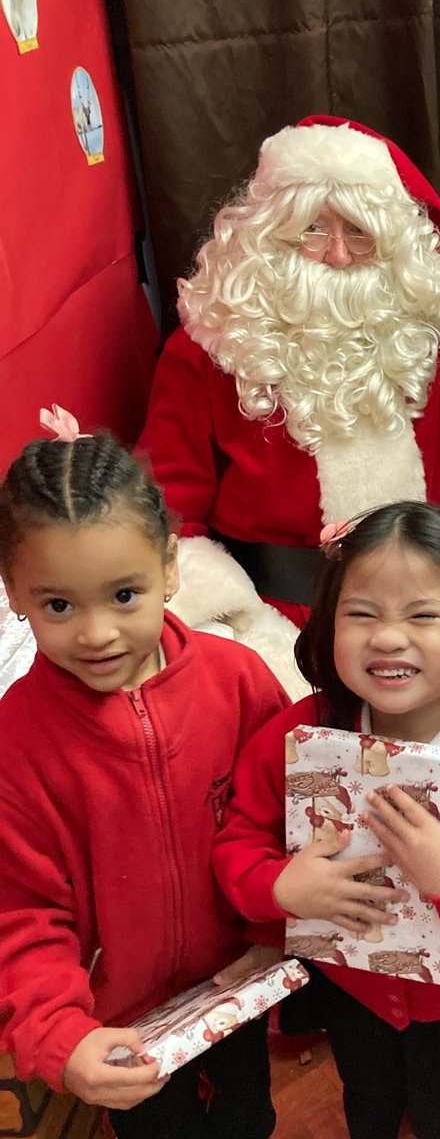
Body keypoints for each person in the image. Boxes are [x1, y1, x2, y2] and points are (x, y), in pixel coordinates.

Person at [138, 40, 440, 687]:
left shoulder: (438, 324)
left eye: (360, 232)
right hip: (279, 633)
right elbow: (164, 513)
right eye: (312, 229)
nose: (338, 255)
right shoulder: (213, 346)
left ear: (397, 241)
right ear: (267, 236)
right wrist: (233, 635)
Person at [211, 501, 440, 1139]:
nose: (388, 637)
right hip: (351, 997)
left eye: (423, 615)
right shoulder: (296, 738)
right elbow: (238, 844)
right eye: (362, 613)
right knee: (369, 1111)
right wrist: (279, 888)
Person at [0, 407, 290, 1139]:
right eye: (58, 605)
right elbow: (20, 913)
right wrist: (61, 1036)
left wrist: (272, 926)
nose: (97, 633)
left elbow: (287, 817)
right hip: (119, 1026)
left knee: (249, 1117)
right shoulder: (17, 742)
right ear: (13, 593)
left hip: (238, 983)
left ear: (169, 565)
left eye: (123, 595)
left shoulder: (237, 681)